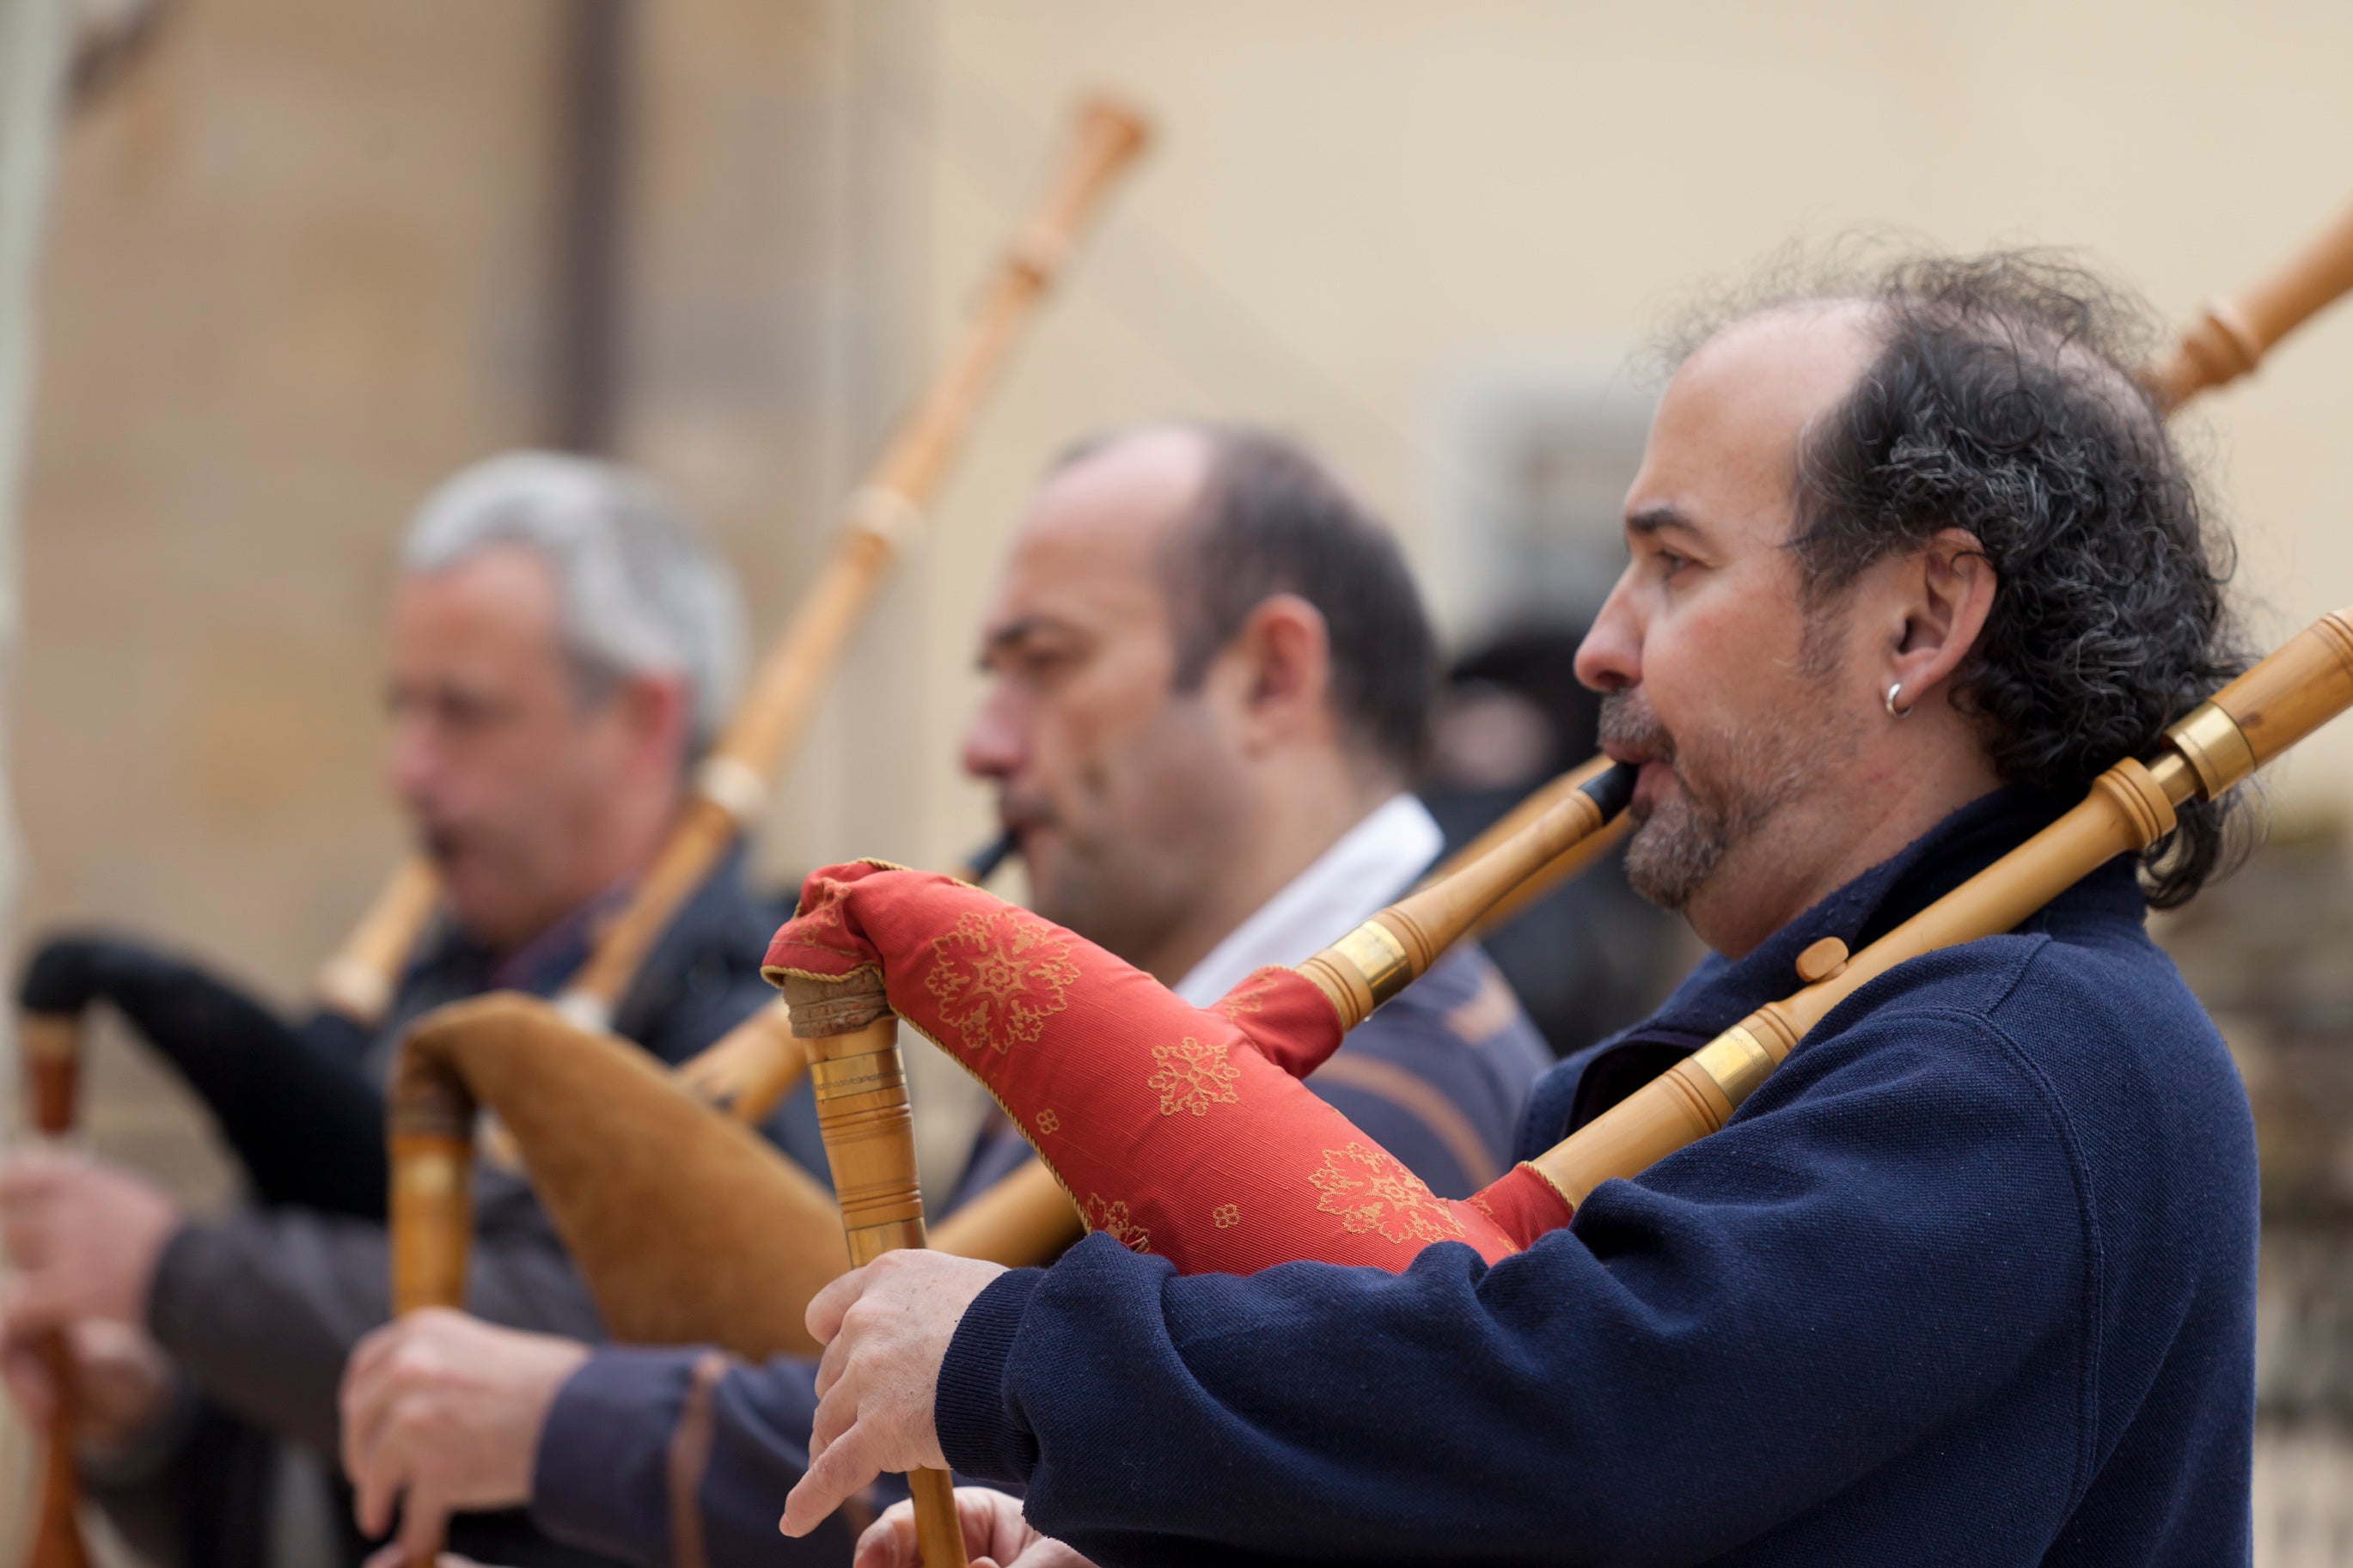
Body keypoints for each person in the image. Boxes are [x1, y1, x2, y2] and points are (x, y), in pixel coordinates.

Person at [785, 254, 2259, 1567]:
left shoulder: (2033, 1054)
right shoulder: (1841, 1027)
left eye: (1673, 565)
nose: (1599, 644)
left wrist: (1013, 1357)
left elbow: (1595, 1421)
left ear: (1924, 620)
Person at [336, 424, 1555, 1567]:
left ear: (1270, 679)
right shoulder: (1137, 1026)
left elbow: (1038, 1469)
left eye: (1045, 663)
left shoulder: (1401, 1089)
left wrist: (558, 1418)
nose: (982, 742)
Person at [0, 453, 822, 1567]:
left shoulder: (764, 1024)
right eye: (405, 709)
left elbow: (594, 1348)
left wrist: (178, 1275)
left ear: (642, 718)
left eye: (465, 714)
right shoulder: (421, 1001)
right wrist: (154, 1422)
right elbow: (337, 1491)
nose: (409, 770)